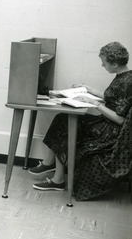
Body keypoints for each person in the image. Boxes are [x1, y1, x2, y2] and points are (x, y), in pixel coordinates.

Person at [29, 41, 132, 200]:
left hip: (111, 132)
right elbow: (113, 98)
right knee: (63, 118)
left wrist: (95, 103)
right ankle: (49, 164)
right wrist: (89, 89)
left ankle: (57, 179)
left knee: (65, 122)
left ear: (116, 64)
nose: (102, 66)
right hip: (105, 124)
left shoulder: (127, 83)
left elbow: (120, 119)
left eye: (104, 63)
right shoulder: (124, 76)